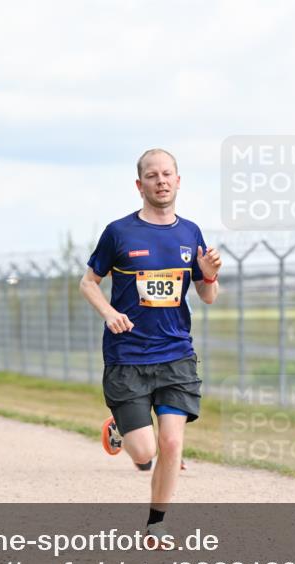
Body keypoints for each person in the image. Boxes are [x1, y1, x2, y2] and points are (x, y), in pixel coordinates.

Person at [80, 149, 221, 541]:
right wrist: (109, 313)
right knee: (144, 452)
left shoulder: (190, 232)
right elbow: (88, 283)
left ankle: (156, 525)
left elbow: (208, 296)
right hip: (127, 355)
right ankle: (120, 430)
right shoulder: (119, 232)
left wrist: (208, 277)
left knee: (172, 442)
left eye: (167, 174)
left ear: (178, 181)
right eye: (152, 175)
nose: (161, 181)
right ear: (139, 184)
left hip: (176, 354)